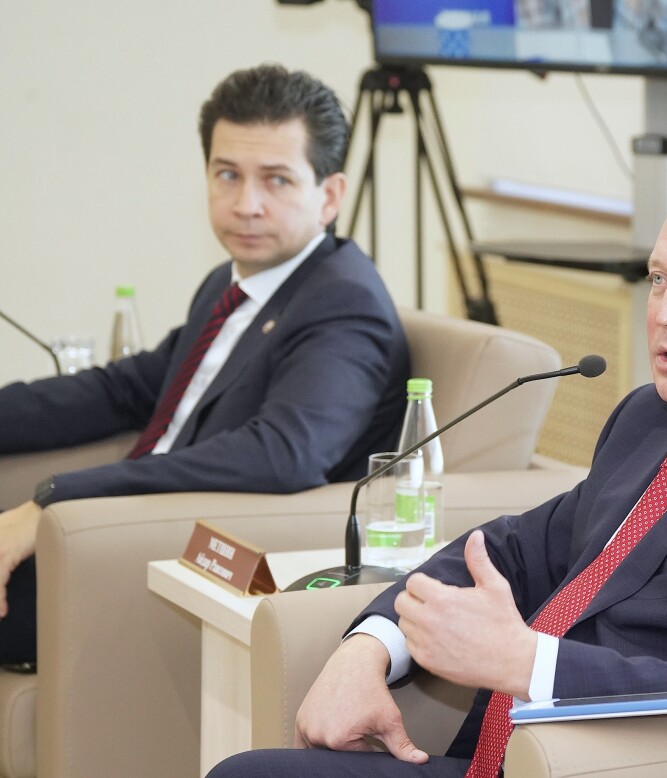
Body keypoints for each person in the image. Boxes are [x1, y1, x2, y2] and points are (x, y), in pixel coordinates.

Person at [210, 161, 667, 777]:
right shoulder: (654, 418)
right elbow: (515, 550)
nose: (666, 312)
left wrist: (526, 664)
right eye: (659, 279)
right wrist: (370, 647)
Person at [0, 64, 411, 666]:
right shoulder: (232, 284)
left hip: (173, 560)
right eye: (228, 175)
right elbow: (123, 390)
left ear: (329, 196)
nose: (246, 205)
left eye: (276, 180)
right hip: (119, 532)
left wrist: (56, 497)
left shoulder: (343, 303)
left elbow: (283, 453)